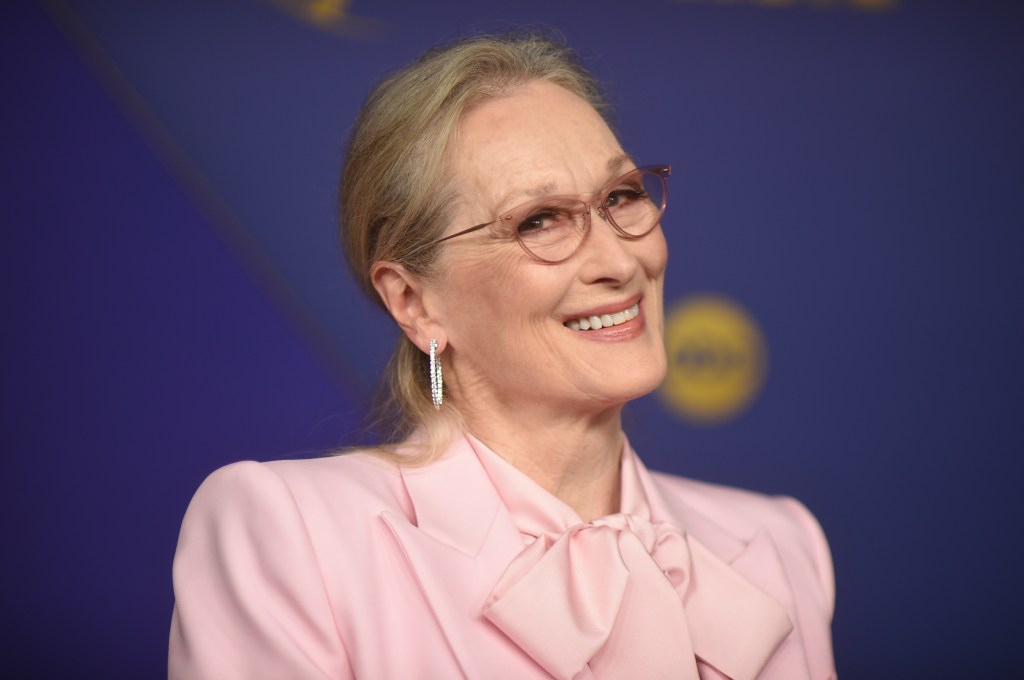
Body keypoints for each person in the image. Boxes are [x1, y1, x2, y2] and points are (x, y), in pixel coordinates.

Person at [169, 32, 835, 679]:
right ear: (415, 302)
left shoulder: (781, 543)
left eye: (622, 196)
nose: (619, 259)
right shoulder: (295, 537)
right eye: (540, 219)